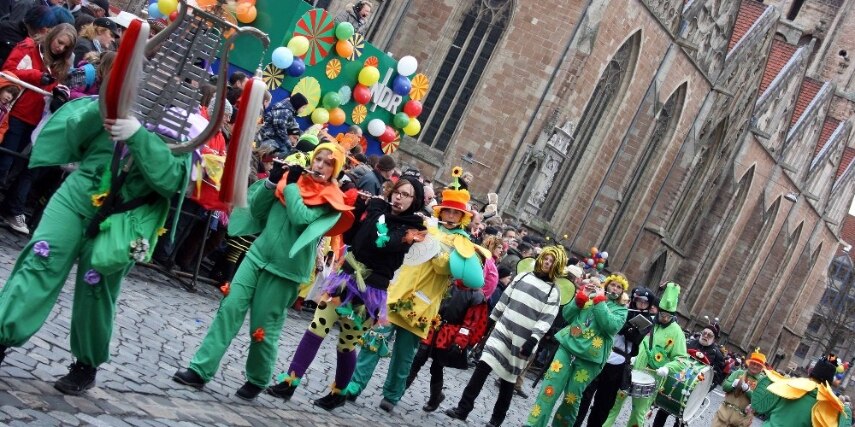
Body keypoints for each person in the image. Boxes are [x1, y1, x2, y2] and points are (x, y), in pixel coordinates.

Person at [0, 71, 192, 395]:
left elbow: (170, 180)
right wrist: (101, 107)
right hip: (76, 197)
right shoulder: (114, 98)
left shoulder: (181, 128)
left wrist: (138, 136)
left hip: (121, 218)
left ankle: (86, 363)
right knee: (40, 262)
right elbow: (74, 138)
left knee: (96, 289)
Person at [172, 143, 353, 400]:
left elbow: (301, 218)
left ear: (335, 170)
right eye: (318, 159)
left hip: (286, 271)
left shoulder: (332, 199)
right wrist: (272, 182)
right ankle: (200, 370)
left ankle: (257, 378)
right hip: (257, 257)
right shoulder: (292, 183)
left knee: (262, 328)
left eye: (327, 162)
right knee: (229, 309)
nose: (319, 165)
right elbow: (256, 211)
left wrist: (290, 186)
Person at [266, 174, 426, 409]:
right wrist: (359, 208)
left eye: (406, 195)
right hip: (344, 280)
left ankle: (339, 392)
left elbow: (381, 243)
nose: (399, 198)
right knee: (316, 328)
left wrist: (376, 214)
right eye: (397, 192)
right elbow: (354, 238)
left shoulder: (412, 229)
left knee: (346, 343)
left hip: (369, 291)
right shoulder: (379, 211)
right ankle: (290, 381)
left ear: (415, 201)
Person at [343, 171, 489, 412]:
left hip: (423, 304)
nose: (450, 216)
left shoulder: (462, 243)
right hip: (398, 290)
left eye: (456, 213)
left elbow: (466, 275)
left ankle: (392, 394)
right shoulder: (426, 225)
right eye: (447, 211)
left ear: (462, 217)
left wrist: (443, 255)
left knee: (404, 354)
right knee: (374, 339)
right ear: (440, 211)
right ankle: (355, 385)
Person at [445, 246, 567, 426]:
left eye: (552, 261)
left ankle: (496, 420)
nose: (548, 263)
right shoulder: (522, 276)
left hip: (523, 341)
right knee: (482, 367)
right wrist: (489, 321)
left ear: (557, 266)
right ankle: (463, 408)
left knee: (508, 380)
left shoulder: (553, 292)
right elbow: (505, 300)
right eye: (546, 258)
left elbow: (546, 318)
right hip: (502, 330)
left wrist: (533, 339)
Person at [0, 22, 76, 234]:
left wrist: (59, 93)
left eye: (65, 46)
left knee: (14, 163)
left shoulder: (60, 65)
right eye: (59, 42)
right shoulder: (28, 47)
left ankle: (8, 208)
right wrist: (34, 76)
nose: (60, 48)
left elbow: (54, 87)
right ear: (52, 35)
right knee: (4, 161)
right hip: (15, 112)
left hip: (34, 119)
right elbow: (8, 71)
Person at [526, 274, 628, 427]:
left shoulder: (621, 310)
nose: (615, 288)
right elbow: (568, 315)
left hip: (590, 358)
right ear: (606, 285)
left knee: (571, 399)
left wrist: (600, 302)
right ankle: (533, 424)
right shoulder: (591, 296)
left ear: (622, 292)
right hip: (568, 347)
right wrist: (580, 298)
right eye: (612, 285)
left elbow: (611, 327)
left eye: (619, 287)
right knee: (549, 388)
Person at [602, 282, 688, 427]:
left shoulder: (677, 332)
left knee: (638, 413)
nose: (664, 318)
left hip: (651, 377)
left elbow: (682, 359)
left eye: (668, 315)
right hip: (630, 370)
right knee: (614, 405)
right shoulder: (648, 320)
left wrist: (668, 368)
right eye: (662, 314)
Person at [574, 286, 657, 427]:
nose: (642, 305)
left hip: (618, 362)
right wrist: (626, 326)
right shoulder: (623, 309)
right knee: (584, 395)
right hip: (600, 355)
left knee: (603, 404)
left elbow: (635, 338)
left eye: (645, 303)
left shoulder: (647, 321)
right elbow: (612, 325)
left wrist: (627, 328)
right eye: (639, 301)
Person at [651, 318, 726, 427]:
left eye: (709, 335)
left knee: (682, 419)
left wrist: (702, 391)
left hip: (696, 389)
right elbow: (676, 358)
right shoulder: (689, 343)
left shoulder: (718, 355)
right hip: (677, 380)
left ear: (714, 339)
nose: (705, 336)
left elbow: (717, 377)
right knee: (663, 409)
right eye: (704, 333)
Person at [751, 354, 851, 426]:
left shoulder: (789, 385)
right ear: (829, 381)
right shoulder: (828, 404)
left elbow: (766, 408)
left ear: (811, 373)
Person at [0, 4, 73, 64]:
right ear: (43, 29)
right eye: (60, 42)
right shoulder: (5, 28)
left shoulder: (40, 45)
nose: (61, 48)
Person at [710, 349, 766, 427]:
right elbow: (725, 386)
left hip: (741, 422)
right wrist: (733, 384)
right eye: (753, 363)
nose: (755, 366)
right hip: (722, 416)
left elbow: (759, 401)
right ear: (749, 363)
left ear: (762, 368)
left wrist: (748, 391)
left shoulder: (762, 382)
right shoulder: (738, 373)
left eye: (758, 365)